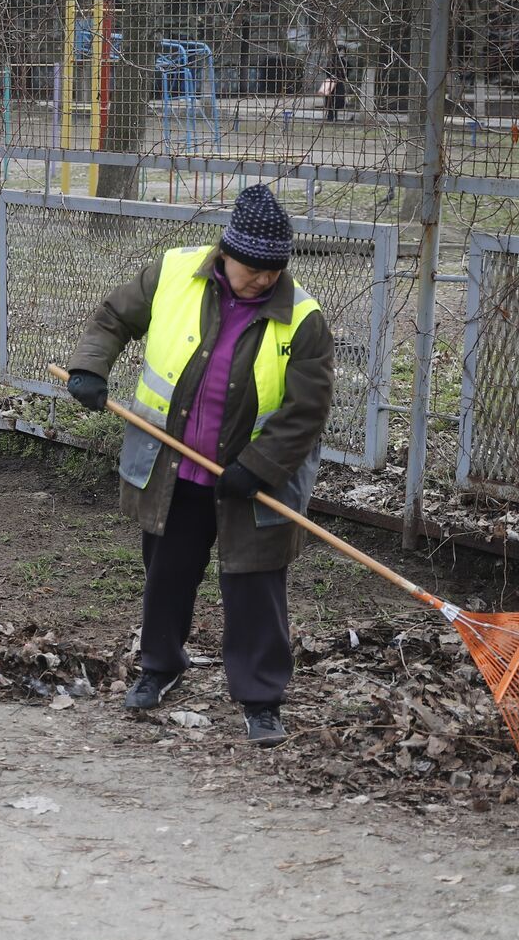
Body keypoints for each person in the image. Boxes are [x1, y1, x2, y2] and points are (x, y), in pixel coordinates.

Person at [64, 184, 334, 747]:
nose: (263, 279)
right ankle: (159, 667)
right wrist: (90, 367)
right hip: (175, 470)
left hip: (254, 483)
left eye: (274, 270)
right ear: (226, 254)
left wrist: (258, 466)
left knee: (255, 588)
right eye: (253, 268)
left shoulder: (303, 319)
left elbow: (307, 411)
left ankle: (261, 700)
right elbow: (114, 316)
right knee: (167, 573)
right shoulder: (174, 273)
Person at [320, 46, 350, 123]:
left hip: (339, 83)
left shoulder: (343, 61)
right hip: (331, 83)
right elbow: (327, 70)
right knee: (330, 100)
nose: (342, 53)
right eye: (341, 51)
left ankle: (334, 117)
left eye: (344, 51)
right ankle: (330, 117)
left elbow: (348, 70)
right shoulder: (332, 60)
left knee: (338, 100)